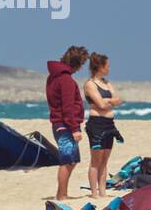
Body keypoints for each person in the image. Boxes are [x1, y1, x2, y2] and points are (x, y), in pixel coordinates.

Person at [46, 45, 88, 200]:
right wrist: (75, 128)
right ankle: (61, 195)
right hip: (64, 125)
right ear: (77, 63)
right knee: (68, 160)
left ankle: (61, 193)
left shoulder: (53, 77)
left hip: (59, 124)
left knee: (71, 160)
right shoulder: (66, 80)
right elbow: (68, 107)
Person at [84, 53, 123, 198]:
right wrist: (110, 101)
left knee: (105, 160)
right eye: (107, 65)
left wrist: (109, 101)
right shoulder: (90, 84)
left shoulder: (107, 83)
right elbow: (100, 104)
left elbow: (119, 99)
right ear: (100, 66)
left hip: (109, 124)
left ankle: (102, 191)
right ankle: (94, 192)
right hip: (97, 124)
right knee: (96, 160)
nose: (109, 68)